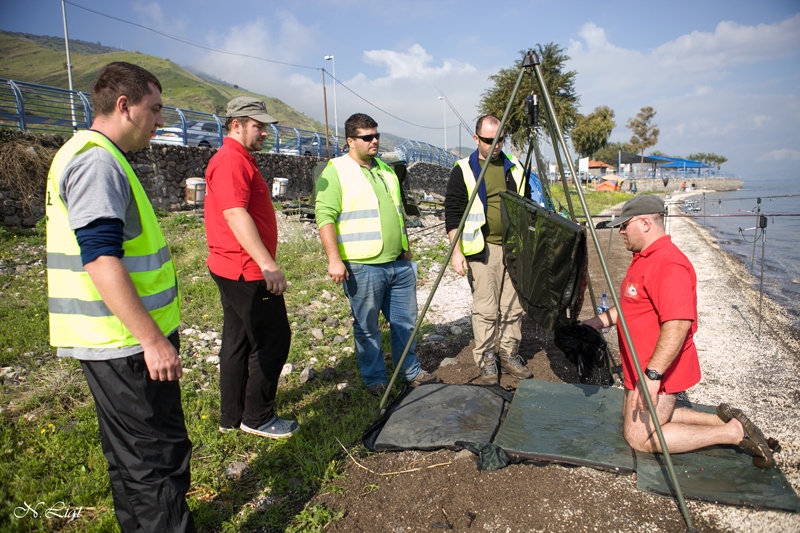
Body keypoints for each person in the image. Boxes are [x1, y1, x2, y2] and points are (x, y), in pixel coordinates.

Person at [45, 62, 194, 531]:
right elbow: (101, 258)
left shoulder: (88, 152)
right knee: (154, 461)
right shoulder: (96, 162)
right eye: (155, 109)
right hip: (125, 342)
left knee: (134, 461)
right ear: (124, 106)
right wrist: (152, 339)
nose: (161, 121)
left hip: (115, 339)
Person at [583, 195, 774, 467]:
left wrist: (652, 375)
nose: (621, 231)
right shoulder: (644, 257)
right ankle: (721, 419)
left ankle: (733, 432)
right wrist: (595, 323)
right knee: (633, 415)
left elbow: (678, 323)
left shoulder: (668, 264)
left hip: (657, 365)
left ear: (645, 223)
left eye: (625, 225)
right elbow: (631, 306)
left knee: (638, 437)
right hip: (640, 366)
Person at [315, 113, 436, 397]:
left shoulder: (385, 169)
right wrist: (334, 260)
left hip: (398, 263)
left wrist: (406, 248)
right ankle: (375, 379)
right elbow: (325, 217)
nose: (374, 141)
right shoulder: (336, 170)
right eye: (367, 137)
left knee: (404, 323)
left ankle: (410, 371)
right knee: (367, 327)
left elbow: (397, 210)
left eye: (376, 135)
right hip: (362, 265)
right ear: (350, 141)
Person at [204, 96, 298, 438]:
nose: (264, 133)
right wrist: (267, 264)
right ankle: (258, 417)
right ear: (236, 125)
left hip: (230, 266)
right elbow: (234, 213)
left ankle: (231, 417)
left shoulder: (239, 159)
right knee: (274, 340)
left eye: (265, 127)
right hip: (245, 269)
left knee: (238, 341)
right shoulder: (230, 160)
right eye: (258, 126)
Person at [444, 115, 541, 384]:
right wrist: (457, 251)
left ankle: (509, 355)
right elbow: (453, 214)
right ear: (476, 139)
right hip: (484, 249)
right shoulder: (463, 169)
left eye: (500, 139)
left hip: (514, 247)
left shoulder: (514, 167)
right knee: (486, 308)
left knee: (513, 306)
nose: (495, 145)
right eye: (489, 140)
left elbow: (528, 205)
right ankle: (487, 358)